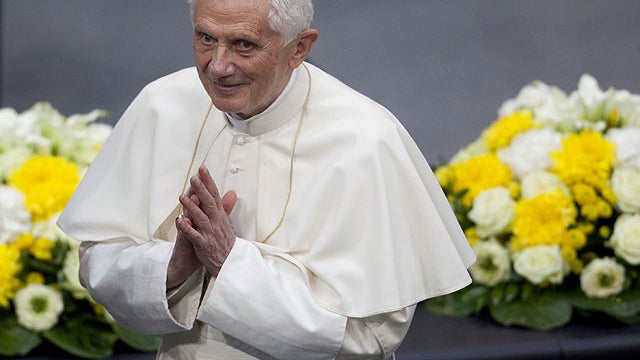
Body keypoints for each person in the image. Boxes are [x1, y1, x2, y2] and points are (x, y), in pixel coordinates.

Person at [57, 0, 475, 359]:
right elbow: (97, 258)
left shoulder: (366, 139)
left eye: (243, 44)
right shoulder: (160, 105)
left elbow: (371, 337)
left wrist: (229, 264)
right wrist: (170, 267)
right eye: (205, 38)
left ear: (299, 48)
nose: (217, 66)